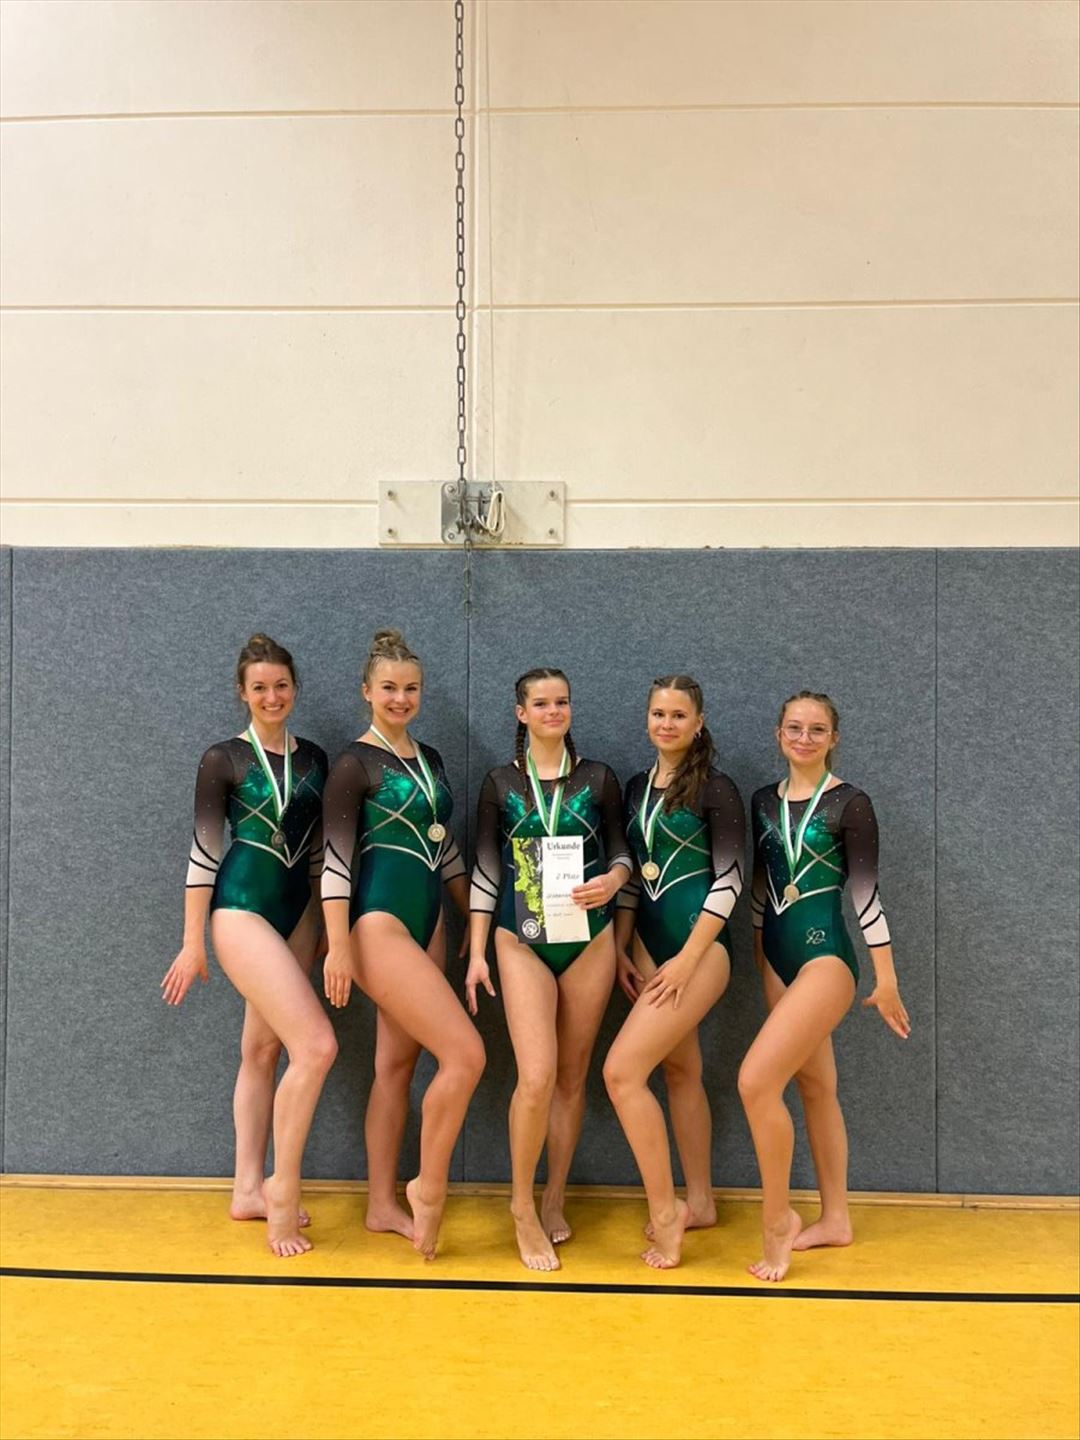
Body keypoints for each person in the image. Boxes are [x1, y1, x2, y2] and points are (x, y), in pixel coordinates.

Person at [161, 633, 335, 1258]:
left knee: (261, 1049)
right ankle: (280, 1191)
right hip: (239, 908)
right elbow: (203, 853)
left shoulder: (315, 759)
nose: (272, 696)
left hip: (298, 913)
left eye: (281, 685)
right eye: (259, 687)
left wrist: (323, 926)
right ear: (242, 692)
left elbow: (318, 855)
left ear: (295, 689)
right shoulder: (223, 759)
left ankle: (245, 1189)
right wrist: (192, 942)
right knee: (316, 1047)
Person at [321, 628, 483, 1260]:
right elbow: (335, 864)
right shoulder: (352, 765)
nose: (400, 698)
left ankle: (380, 1203)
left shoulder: (431, 759)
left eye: (411, 688)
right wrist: (339, 947)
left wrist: (474, 920)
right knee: (464, 1055)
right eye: (388, 688)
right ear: (366, 691)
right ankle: (426, 1186)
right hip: (379, 924)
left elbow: (445, 848)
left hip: (430, 923)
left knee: (395, 1067)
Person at [740, 689, 910, 1282]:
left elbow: (866, 896)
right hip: (776, 957)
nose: (804, 738)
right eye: (794, 727)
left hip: (825, 960)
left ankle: (777, 1218)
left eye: (817, 729)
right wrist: (761, 954)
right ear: (778, 734)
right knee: (816, 1087)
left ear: (834, 738)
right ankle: (836, 1217)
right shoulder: (763, 801)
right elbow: (760, 887)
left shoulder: (850, 804)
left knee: (755, 1082)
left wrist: (886, 978)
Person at [467, 667, 632, 1271]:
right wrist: (477, 951)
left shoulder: (599, 778)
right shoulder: (499, 783)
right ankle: (520, 1205)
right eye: (541, 703)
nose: (553, 711)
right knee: (535, 1076)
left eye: (561, 701)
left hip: (589, 937)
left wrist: (612, 881)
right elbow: (487, 871)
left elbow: (622, 851)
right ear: (521, 713)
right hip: (521, 939)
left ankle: (554, 1194)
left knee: (570, 1078)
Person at [604, 675, 745, 1268]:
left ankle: (666, 1212)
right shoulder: (637, 787)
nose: (667, 724)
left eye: (679, 715)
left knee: (621, 1073)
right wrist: (622, 946)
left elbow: (730, 881)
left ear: (699, 723)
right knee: (681, 1070)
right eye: (659, 714)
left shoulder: (717, 789)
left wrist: (687, 959)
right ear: (647, 719)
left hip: (701, 951)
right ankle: (701, 1200)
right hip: (649, 947)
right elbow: (635, 877)